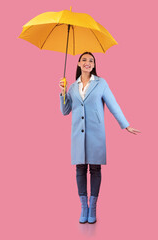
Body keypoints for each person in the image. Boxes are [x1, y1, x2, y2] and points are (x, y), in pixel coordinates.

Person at [59, 52, 141, 224]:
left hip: (96, 134)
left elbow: (113, 105)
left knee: (95, 170)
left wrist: (125, 124)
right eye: (85, 60)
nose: (88, 63)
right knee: (80, 170)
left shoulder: (101, 83)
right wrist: (62, 92)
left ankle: (93, 207)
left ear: (94, 64)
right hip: (77, 136)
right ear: (79, 63)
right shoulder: (73, 87)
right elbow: (65, 111)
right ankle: (84, 207)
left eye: (91, 60)